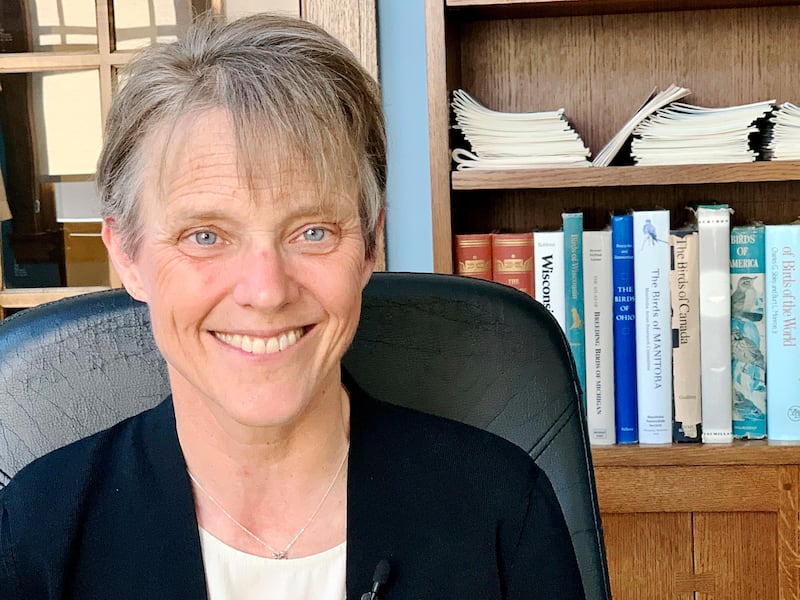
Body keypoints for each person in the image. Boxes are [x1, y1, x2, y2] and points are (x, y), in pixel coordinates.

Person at [0, 13, 585, 600]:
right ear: (128, 256)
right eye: (205, 235)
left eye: (311, 231)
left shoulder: (502, 509)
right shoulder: (34, 531)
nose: (267, 290)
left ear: (369, 247)